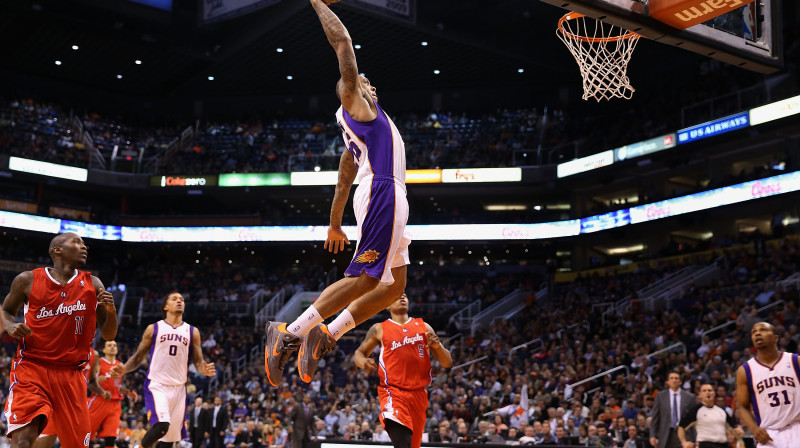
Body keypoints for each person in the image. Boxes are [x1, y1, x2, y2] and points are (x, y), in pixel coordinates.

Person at [265, 0, 412, 387]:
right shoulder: (356, 105)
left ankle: (327, 333)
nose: (369, 82)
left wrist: (334, 225)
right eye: (363, 81)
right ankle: (291, 333)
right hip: (384, 192)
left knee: (395, 285)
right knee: (366, 279)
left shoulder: (360, 135)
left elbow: (343, 180)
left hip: (381, 192)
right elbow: (343, 42)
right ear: (352, 89)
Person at [1, 232, 117, 448]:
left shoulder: (93, 283)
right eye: (77, 242)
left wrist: (110, 310)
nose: (84, 247)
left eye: (84, 244)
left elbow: (109, 334)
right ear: (58, 250)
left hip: (72, 374)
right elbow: (6, 310)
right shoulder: (28, 280)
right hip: (32, 368)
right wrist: (9, 325)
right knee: (23, 441)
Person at [110, 292, 216, 448]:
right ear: (166, 306)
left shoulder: (192, 331)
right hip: (157, 385)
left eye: (182, 300)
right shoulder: (153, 329)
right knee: (162, 426)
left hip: (179, 388)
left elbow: (199, 363)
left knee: (169, 441)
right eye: (175, 299)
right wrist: (124, 369)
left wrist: (204, 370)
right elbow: (138, 357)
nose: (179, 301)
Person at [354, 294, 452, 448]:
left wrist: (438, 346)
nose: (401, 297)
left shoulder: (424, 326)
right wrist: (364, 361)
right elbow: (359, 353)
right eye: (397, 296)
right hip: (394, 392)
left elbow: (447, 362)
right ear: (387, 305)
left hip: (419, 395)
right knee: (402, 444)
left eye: (404, 295)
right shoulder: (379, 328)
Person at [737, 322, 800, 448]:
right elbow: (743, 407)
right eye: (754, 332)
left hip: (797, 427)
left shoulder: (795, 361)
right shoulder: (745, 370)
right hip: (769, 435)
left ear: (775, 338)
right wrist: (754, 429)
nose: (758, 333)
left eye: (763, 330)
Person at [33, 348, 108, 448]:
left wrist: (102, 392)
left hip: (79, 405)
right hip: (59, 399)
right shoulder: (66, 345)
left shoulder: (94, 354)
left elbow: (91, 382)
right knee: (46, 440)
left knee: (75, 443)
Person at [89, 340, 137, 448]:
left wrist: (129, 393)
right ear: (104, 349)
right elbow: (92, 381)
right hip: (99, 400)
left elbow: (117, 386)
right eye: (109, 345)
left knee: (111, 438)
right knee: (87, 435)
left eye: (114, 345)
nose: (112, 347)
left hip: (115, 404)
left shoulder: (120, 365)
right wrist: (103, 377)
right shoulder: (99, 362)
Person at [678, 384, 743, 448]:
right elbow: (681, 427)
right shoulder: (696, 410)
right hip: (705, 444)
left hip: (723, 444)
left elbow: (734, 426)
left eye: (710, 390)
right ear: (700, 395)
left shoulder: (721, 410)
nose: (707, 393)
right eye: (704, 391)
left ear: (714, 393)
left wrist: (738, 430)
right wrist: (684, 442)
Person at [650, 370, 696, 448]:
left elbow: (693, 419)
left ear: (680, 382)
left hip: (685, 434)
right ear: (667, 381)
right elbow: (655, 418)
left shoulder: (690, 397)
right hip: (666, 434)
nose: (674, 380)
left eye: (676, 378)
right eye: (671, 378)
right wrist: (652, 435)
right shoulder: (660, 396)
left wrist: (695, 438)